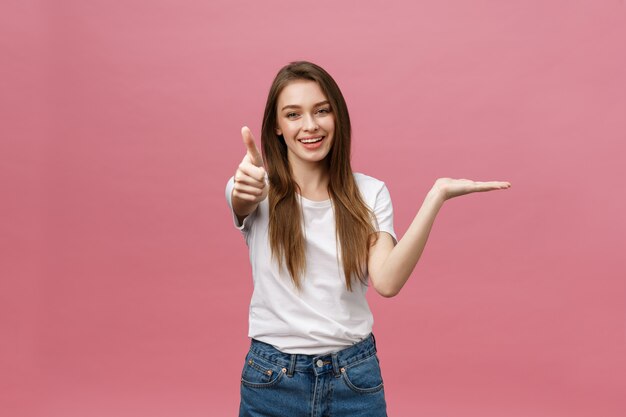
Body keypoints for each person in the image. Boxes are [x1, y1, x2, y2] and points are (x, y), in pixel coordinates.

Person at [225, 61, 511, 417]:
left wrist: (435, 197)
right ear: (278, 128)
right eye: (293, 114)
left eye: (321, 111)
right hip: (272, 380)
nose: (310, 125)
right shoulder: (256, 189)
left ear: (337, 117)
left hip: (353, 378)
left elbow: (387, 282)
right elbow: (241, 200)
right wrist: (244, 189)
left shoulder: (370, 192)